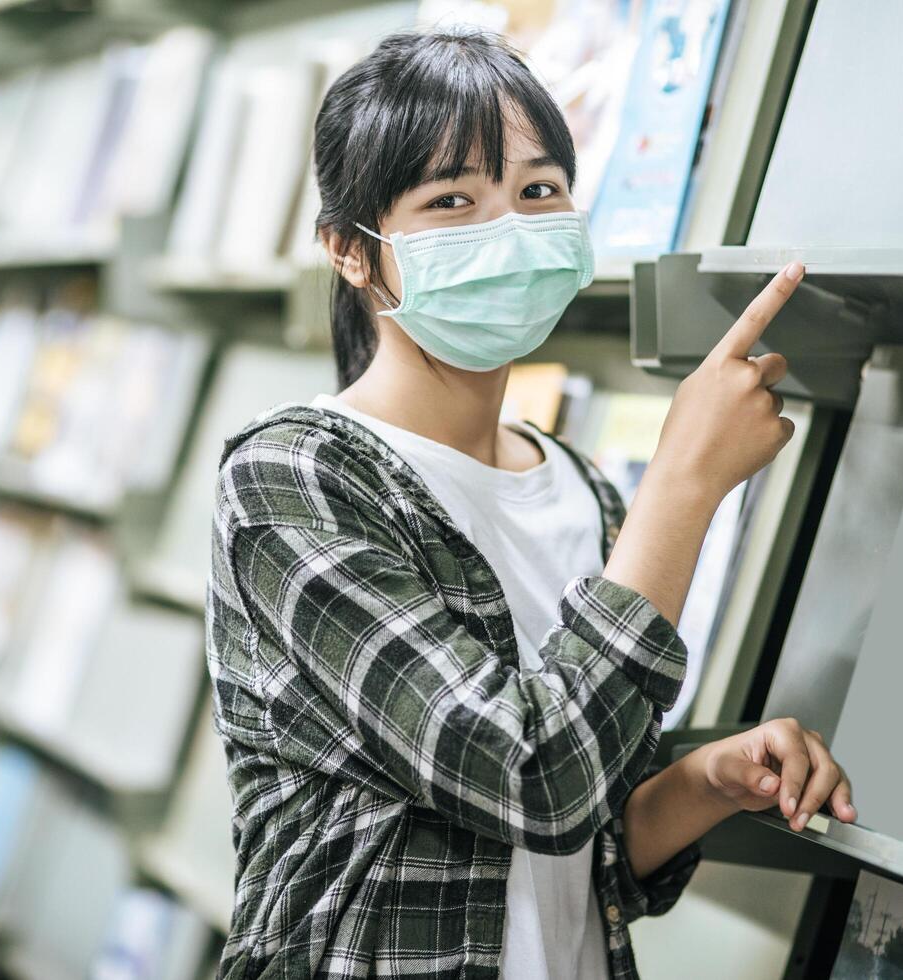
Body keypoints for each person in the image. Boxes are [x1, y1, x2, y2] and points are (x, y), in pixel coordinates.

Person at [206, 28, 855, 980]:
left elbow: (585, 843)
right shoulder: (291, 479)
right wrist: (682, 485)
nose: (507, 229)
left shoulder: (578, 486)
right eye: (452, 201)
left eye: (538, 192)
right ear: (350, 251)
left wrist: (704, 782)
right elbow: (530, 776)